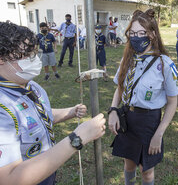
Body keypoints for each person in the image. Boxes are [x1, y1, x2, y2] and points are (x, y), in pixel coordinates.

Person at [0, 21, 106, 185]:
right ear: (2, 58)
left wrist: (69, 112)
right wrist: (77, 138)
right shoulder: (2, 108)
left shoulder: (31, 85)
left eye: (33, 53)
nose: (32, 59)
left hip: (46, 174)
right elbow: (9, 179)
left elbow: (34, 116)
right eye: (24, 55)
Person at [108, 9, 178, 185]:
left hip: (149, 122)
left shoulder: (164, 63)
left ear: (153, 34)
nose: (136, 37)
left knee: (146, 172)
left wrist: (159, 134)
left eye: (142, 33)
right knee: (129, 164)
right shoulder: (128, 59)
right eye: (132, 33)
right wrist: (113, 110)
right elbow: (120, 88)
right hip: (127, 118)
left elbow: (172, 102)